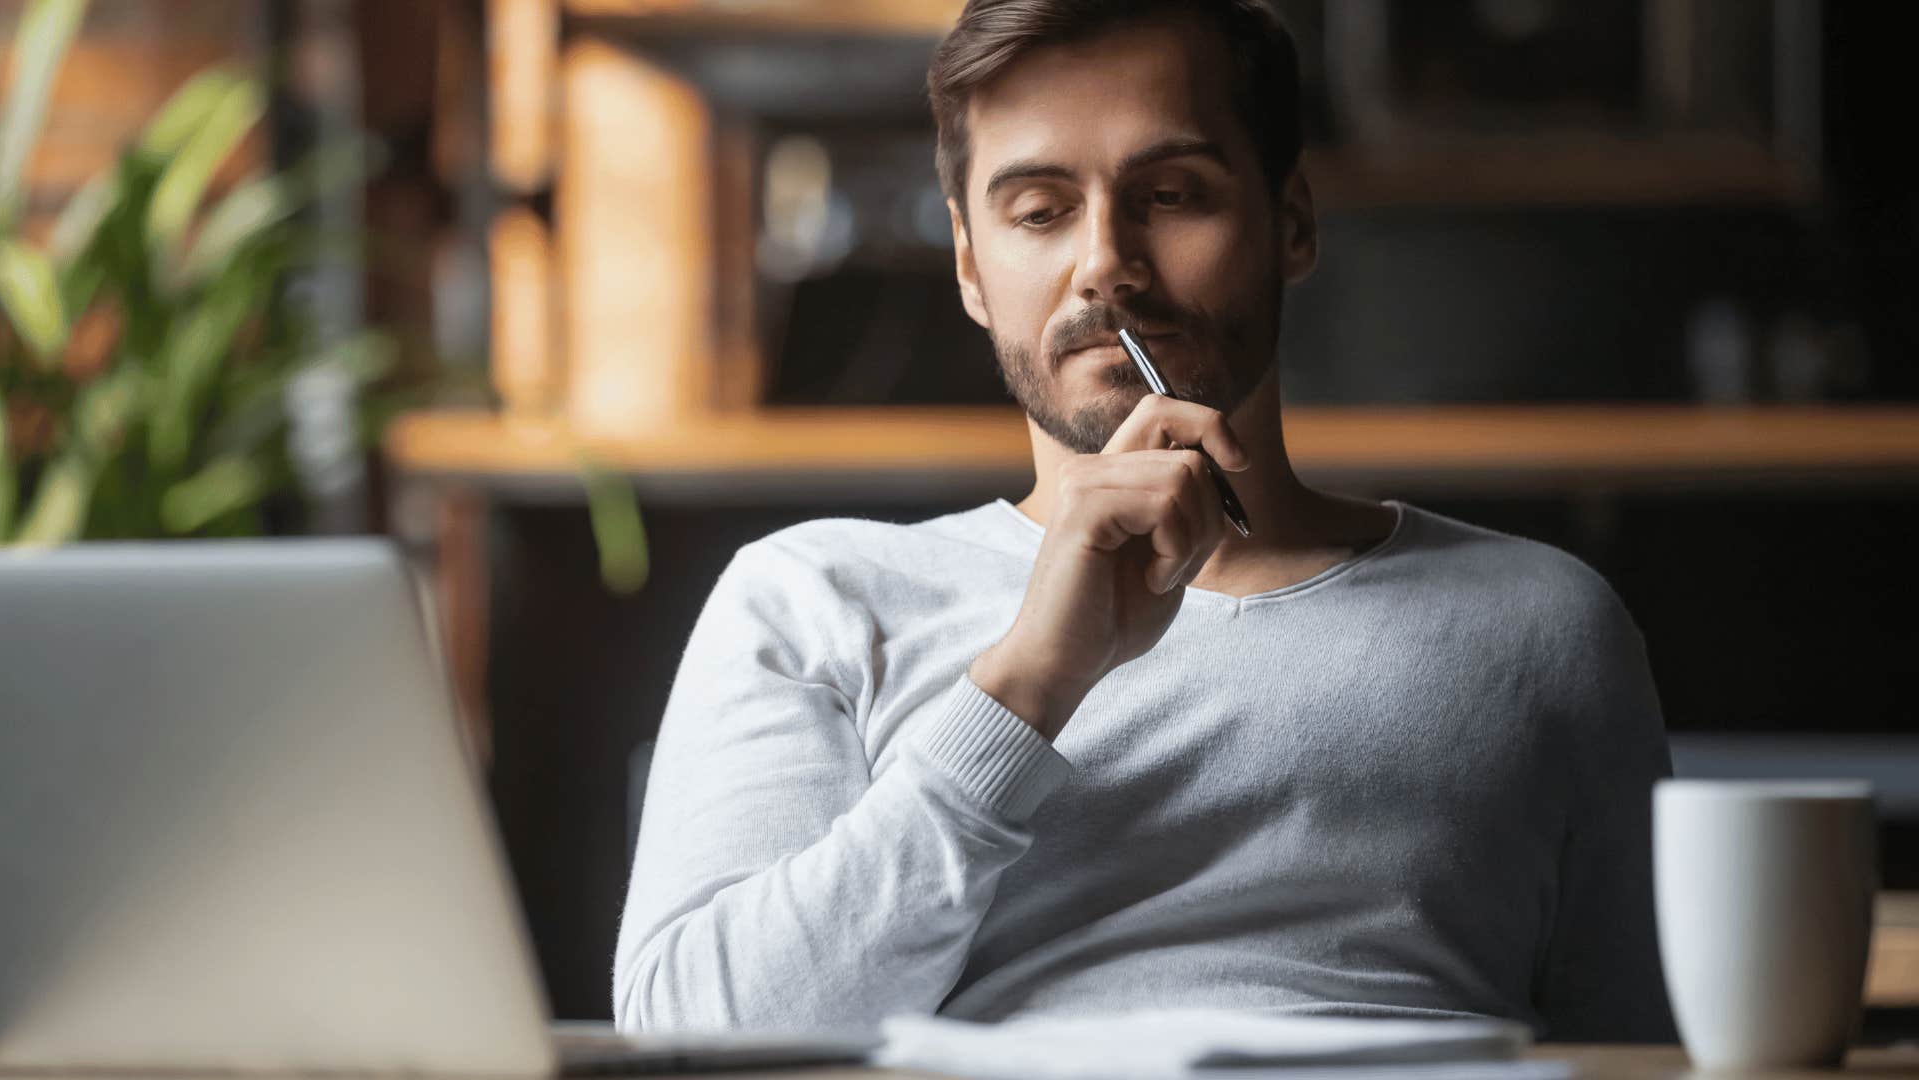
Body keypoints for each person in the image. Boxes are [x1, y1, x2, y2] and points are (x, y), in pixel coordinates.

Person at [613, 0, 1676, 1044]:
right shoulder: (814, 599)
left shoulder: (1545, 626)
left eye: (1171, 195)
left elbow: (1655, 1055)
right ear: (972, 266)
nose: (1106, 264)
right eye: (1039, 211)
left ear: (1291, 224)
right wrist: (1028, 682)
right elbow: (693, 1040)